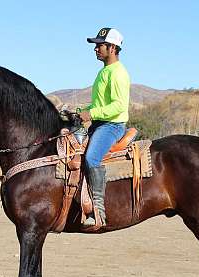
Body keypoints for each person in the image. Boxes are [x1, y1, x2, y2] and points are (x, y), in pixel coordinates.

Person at [78, 27, 131, 228]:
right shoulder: (104, 72)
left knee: (92, 157)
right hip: (100, 122)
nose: (96, 49)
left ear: (112, 47)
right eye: (96, 45)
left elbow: (118, 106)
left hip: (112, 126)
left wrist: (90, 114)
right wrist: (80, 111)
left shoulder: (118, 73)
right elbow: (99, 105)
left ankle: (98, 210)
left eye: (100, 45)